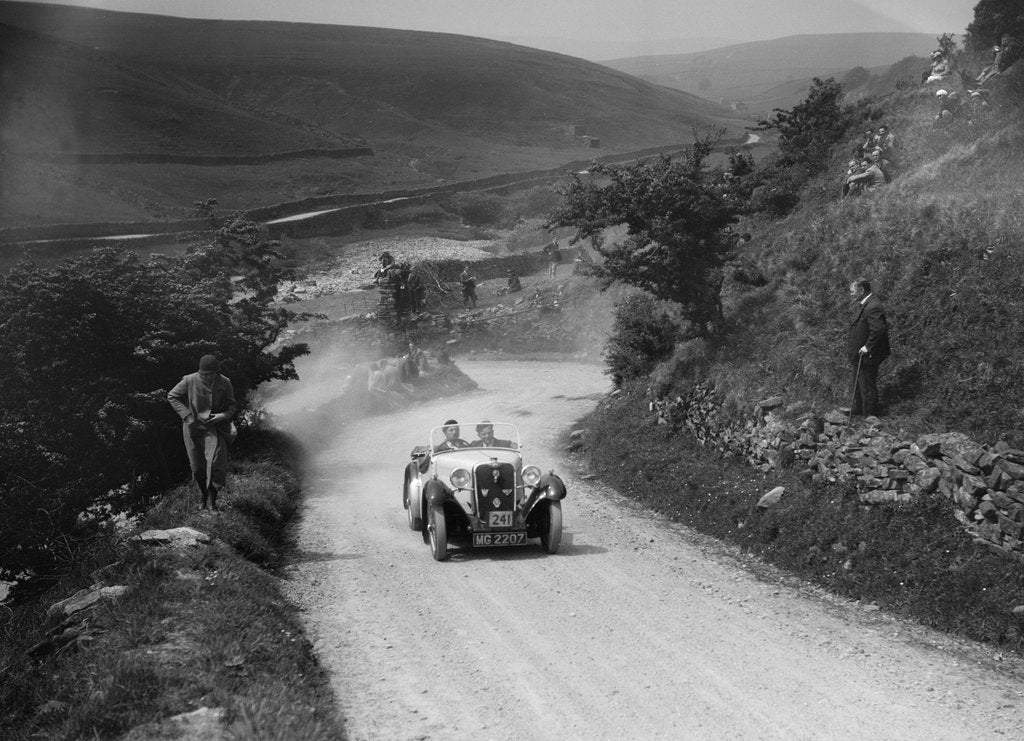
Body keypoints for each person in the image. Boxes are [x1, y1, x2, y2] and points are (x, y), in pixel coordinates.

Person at [167, 354, 237, 511]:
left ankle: (212, 501)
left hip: (215, 428)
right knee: (197, 467)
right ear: (200, 372)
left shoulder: (225, 382)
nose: (208, 377)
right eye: (204, 375)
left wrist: (222, 416)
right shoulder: (189, 380)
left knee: (216, 464)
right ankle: (202, 496)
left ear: (216, 373)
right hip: (193, 429)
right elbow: (172, 396)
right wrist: (187, 416)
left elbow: (232, 406)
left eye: (211, 374)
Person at [846, 279, 891, 417]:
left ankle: (870, 416)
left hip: (868, 355)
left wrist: (868, 346)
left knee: (867, 386)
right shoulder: (866, 304)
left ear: (861, 290)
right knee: (858, 384)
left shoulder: (873, 306)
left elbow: (878, 330)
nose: (851, 295)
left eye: (853, 292)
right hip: (859, 355)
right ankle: (859, 409)